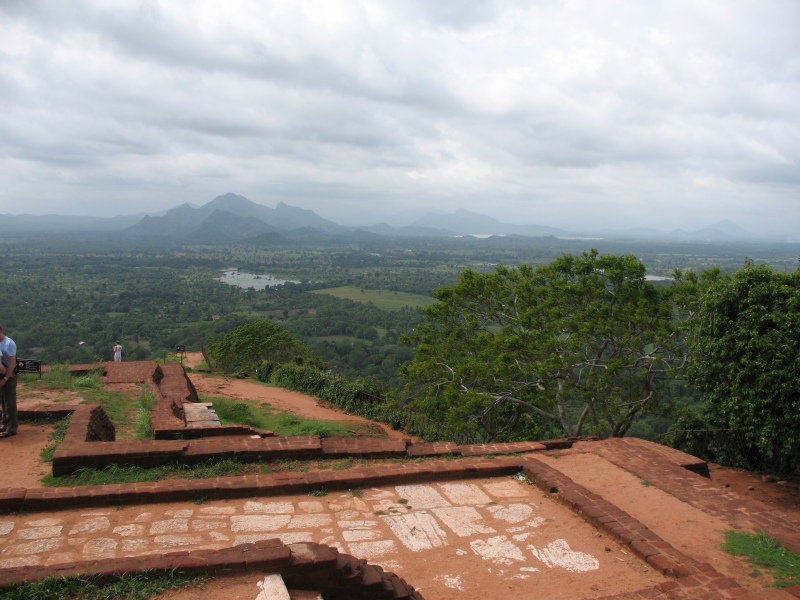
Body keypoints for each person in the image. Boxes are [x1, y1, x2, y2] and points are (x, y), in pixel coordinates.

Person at [0, 326, 17, 439]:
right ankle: (5, 423)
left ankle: (12, 428)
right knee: (3, 401)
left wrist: (6, 378)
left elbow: (13, 363)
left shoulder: (8, 343)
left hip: (9, 375)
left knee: (10, 402)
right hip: (1, 375)